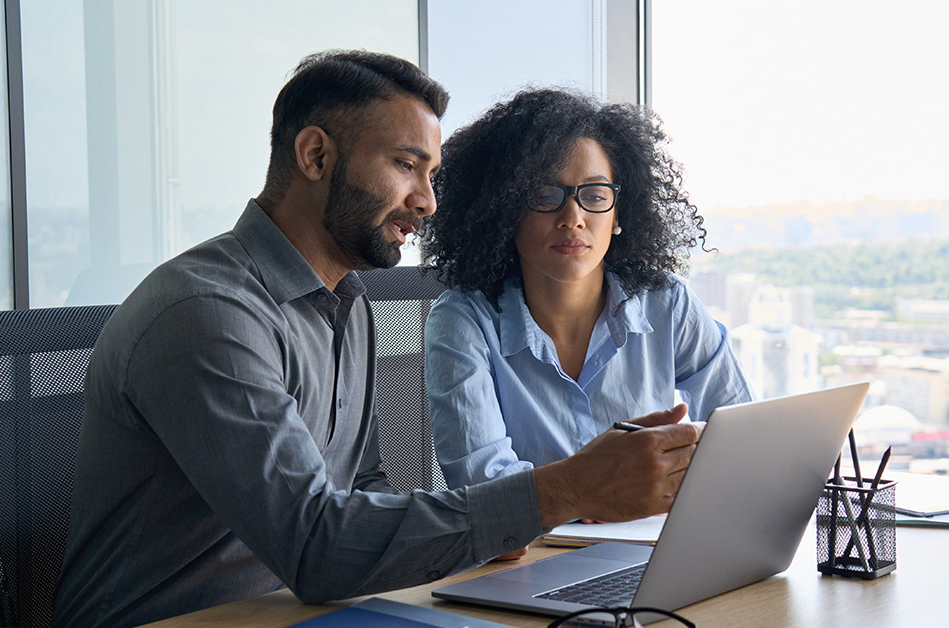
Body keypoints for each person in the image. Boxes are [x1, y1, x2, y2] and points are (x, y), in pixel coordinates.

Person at [51, 51, 702, 628]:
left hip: (311, 611)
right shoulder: (207, 313)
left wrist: (489, 524)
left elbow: (362, 491)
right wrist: (563, 490)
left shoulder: (348, 303)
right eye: (405, 165)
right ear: (315, 156)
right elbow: (316, 548)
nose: (428, 202)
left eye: (431, 173)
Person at [421, 89, 753, 495]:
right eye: (545, 194)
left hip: (653, 545)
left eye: (595, 196)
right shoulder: (463, 321)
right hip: (531, 554)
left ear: (618, 214)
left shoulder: (667, 304)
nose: (573, 218)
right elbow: (485, 488)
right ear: (506, 210)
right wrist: (600, 493)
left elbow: (742, 435)